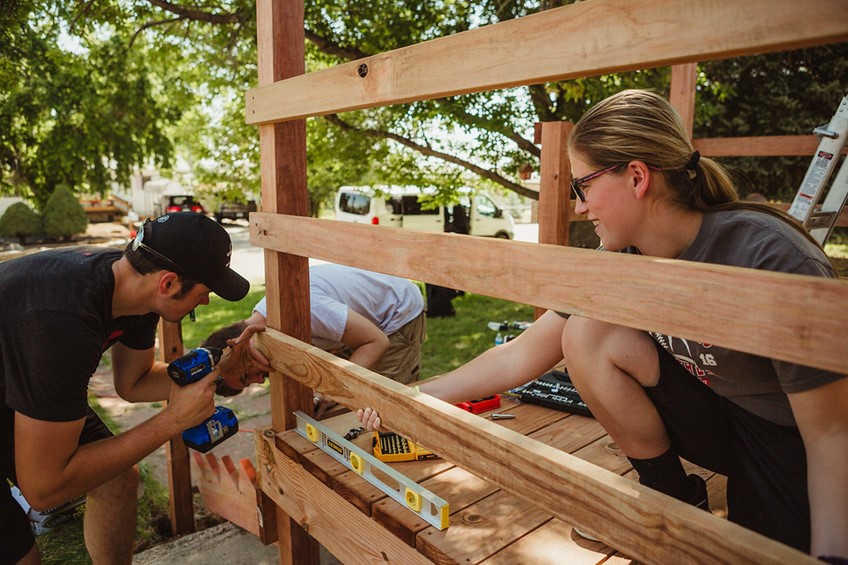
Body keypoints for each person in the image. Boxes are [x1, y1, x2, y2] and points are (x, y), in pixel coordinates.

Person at [358, 89, 848, 560]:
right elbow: (523, 352)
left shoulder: (768, 256)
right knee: (587, 331)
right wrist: (413, 399)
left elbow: (831, 433)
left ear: (637, 177)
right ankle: (670, 497)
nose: (578, 206)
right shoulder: (622, 256)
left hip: (791, 438)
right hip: (722, 416)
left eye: (583, 185)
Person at [0, 212, 258, 564]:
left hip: (14, 379)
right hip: (24, 369)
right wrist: (172, 421)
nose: (205, 302)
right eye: (205, 290)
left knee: (117, 479)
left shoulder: (136, 288)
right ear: (169, 283)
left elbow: (133, 382)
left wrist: (217, 367)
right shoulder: (64, 323)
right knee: (22, 557)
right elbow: (45, 489)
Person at [203, 263, 426, 402]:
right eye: (249, 382)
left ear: (238, 343)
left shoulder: (305, 308)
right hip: (364, 325)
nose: (259, 380)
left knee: (383, 402)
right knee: (339, 396)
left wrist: (333, 389)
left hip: (396, 313)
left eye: (245, 376)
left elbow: (376, 342)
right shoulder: (268, 326)